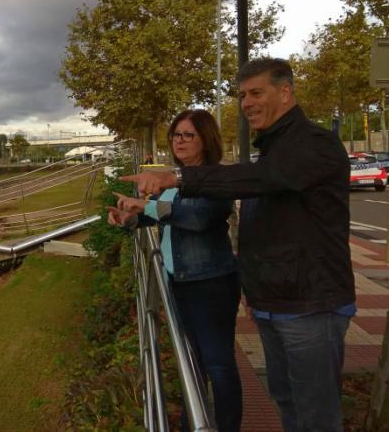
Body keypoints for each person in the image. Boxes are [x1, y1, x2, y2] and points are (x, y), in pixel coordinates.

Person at [120, 58, 355, 432]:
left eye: (256, 93)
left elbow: (252, 183)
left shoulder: (313, 144)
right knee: (288, 402)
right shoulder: (274, 149)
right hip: (274, 302)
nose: (247, 103)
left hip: (311, 304)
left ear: (285, 92)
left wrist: (177, 178)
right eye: (242, 95)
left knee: (315, 415)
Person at [109, 109, 242, 432]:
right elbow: (162, 214)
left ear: (205, 139)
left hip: (210, 285)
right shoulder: (175, 177)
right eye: (175, 135)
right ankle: (192, 422)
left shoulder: (215, 179)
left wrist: (146, 205)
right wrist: (129, 218)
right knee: (191, 361)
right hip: (180, 282)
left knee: (218, 364)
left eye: (188, 135)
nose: (179, 141)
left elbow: (196, 217)